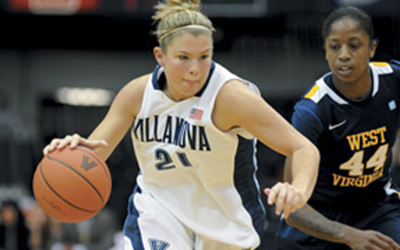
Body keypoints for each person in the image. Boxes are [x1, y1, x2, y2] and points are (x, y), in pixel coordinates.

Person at [42, 0, 320, 249]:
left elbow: (304, 149)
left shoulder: (230, 97)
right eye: (183, 57)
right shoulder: (137, 95)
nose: (195, 69)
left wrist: (299, 191)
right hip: (159, 212)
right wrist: (73, 152)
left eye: (204, 56)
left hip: (225, 225)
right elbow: (93, 156)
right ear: (160, 56)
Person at [275, 6, 400, 250]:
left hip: (376, 210)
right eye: (335, 46)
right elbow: (292, 209)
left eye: (354, 45)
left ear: (371, 48)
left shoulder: (392, 78)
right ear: (326, 52)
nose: (344, 55)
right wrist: (348, 235)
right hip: (319, 220)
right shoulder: (312, 111)